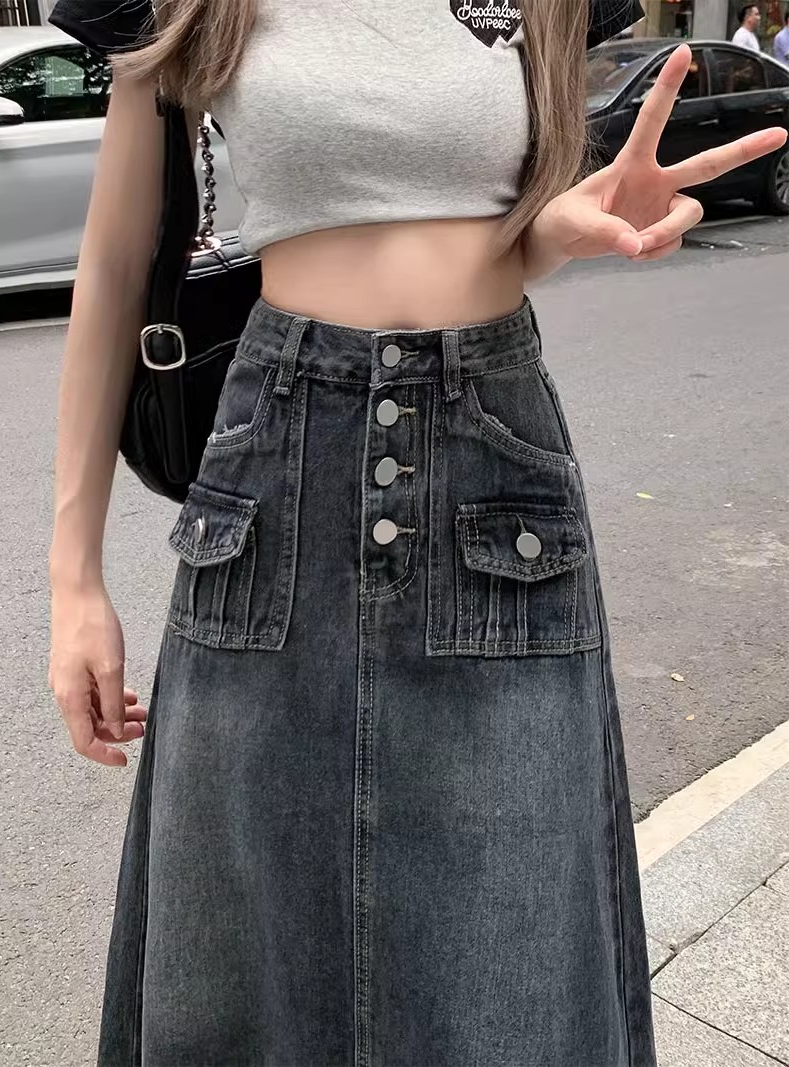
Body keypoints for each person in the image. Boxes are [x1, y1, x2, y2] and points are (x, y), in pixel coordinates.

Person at [45, 0, 786, 1063]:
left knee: (510, 969)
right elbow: (117, 262)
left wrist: (561, 228)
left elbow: (499, 238)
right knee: (242, 959)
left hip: (492, 461)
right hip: (274, 468)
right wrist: (73, 579)